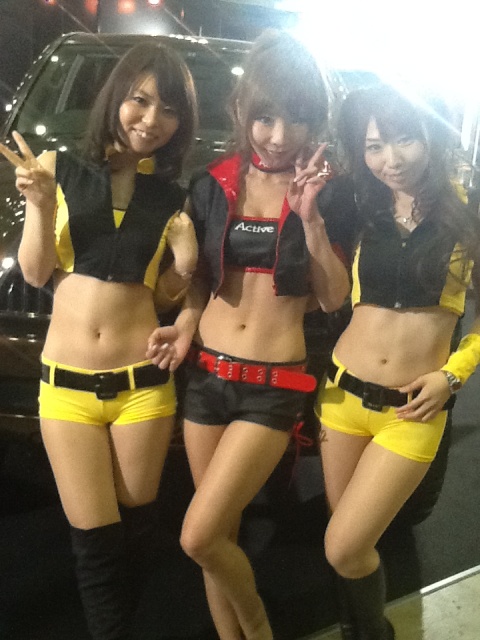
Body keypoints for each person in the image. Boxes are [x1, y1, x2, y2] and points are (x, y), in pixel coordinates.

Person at [147, 29, 351, 640]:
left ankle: (258, 628)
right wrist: (187, 320)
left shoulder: (330, 192)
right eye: (265, 118)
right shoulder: (212, 183)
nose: (280, 136)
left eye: (296, 119)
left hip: (273, 385)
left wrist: (311, 220)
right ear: (241, 112)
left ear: (315, 119)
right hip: (207, 376)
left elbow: (333, 297)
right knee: (220, 537)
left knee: (198, 535)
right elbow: (200, 282)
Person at [0, 43, 198, 640]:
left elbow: (163, 297)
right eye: (140, 100)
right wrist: (38, 204)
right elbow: (36, 273)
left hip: (143, 387)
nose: (151, 120)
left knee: (137, 531)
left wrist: (185, 265)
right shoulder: (57, 169)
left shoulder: (173, 195)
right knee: (94, 542)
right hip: (67, 388)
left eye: (169, 110)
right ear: (115, 98)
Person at [314, 84, 480, 640]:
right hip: (341, 397)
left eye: (405, 139)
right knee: (345, 542)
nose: (391, 159)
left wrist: (454, 373)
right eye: (375, 146)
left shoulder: (468, 211)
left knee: (344, 546)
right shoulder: (361, 207)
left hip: (412, 410)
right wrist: (311, 222)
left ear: (430, 136)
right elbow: (330, 296)